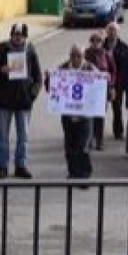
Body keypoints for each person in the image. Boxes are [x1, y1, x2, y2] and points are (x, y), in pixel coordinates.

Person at [0, 23, 42, 179]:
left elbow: (38, 77)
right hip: (4, 101)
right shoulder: (2, 49)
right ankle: (3, 166)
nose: (18, 38)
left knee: (23, 136)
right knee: (2, 136)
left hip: (23, 101)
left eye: (20, 35)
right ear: (11, 35)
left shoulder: (30, 50)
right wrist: (1, 70)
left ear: (25, 37)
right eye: (15, 35)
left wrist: (32, 95)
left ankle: (21, 165)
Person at [52, 45, 98, 179]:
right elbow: (53, 88)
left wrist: (106, 82)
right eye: (73, 56)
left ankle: (84, 174)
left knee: (83, 146)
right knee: (70, 146)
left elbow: (100, 85)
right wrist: (50, 79)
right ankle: (73, 172)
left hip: (85, 115)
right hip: (68, 115)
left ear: (83, 56)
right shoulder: (63, 68)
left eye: (79, 56)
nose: (76, 59)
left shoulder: (90, 68)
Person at [104, 23, 128, 143]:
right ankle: (96, 133)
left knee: (117, 107)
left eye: (114, 30)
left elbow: (126, 64)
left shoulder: (124, 47)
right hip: (102, 82)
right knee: (100, 108)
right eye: (110, 30)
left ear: (117, 32)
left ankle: (118, 131)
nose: (112, 32)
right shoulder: (101, 45)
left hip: (118, 82)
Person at [84, 31, 116, 151]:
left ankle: (99, 140)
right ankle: (89, 139)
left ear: (102, 42)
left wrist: (111, 85)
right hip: (88, 91)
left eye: (98, 41)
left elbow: (113, 71)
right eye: (93, 40)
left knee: (100, 116)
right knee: (89, 115)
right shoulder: (85, 54)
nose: (96, 43)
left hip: (102, 90)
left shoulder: (107, 55)